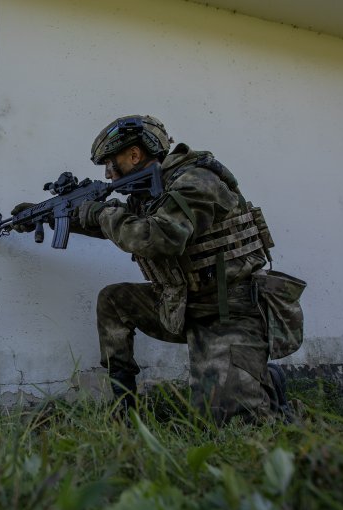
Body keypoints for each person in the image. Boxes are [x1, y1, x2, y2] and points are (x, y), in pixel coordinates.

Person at [14, 115, 291, 424]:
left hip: (230, 310)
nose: (108, 172)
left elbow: (158, 237)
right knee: (114, 300)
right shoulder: (149, 195)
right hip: (182, 304)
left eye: (111, 162)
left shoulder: (197, 180)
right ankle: (125, 408)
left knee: (232, 421)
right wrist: (50, 216)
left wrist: (101, 212)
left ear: (134, 155)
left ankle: (265, 379)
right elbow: (115, 223)